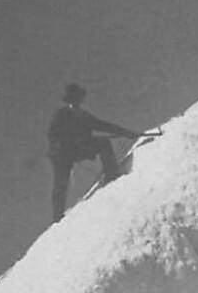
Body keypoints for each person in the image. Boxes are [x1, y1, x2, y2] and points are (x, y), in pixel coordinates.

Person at [47, 83, 144, 221]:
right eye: (75, 98)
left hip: (76, 150)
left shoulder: (83, 115)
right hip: (61, 155)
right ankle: (57, 217)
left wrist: (126, 132)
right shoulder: (61, 114)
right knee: (60, 184)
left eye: (79, 98)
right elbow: (52, 134)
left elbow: (102, 125)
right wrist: (68, 142)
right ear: (70, 100)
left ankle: (111, 175)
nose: (78, 101)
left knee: (103, 143)